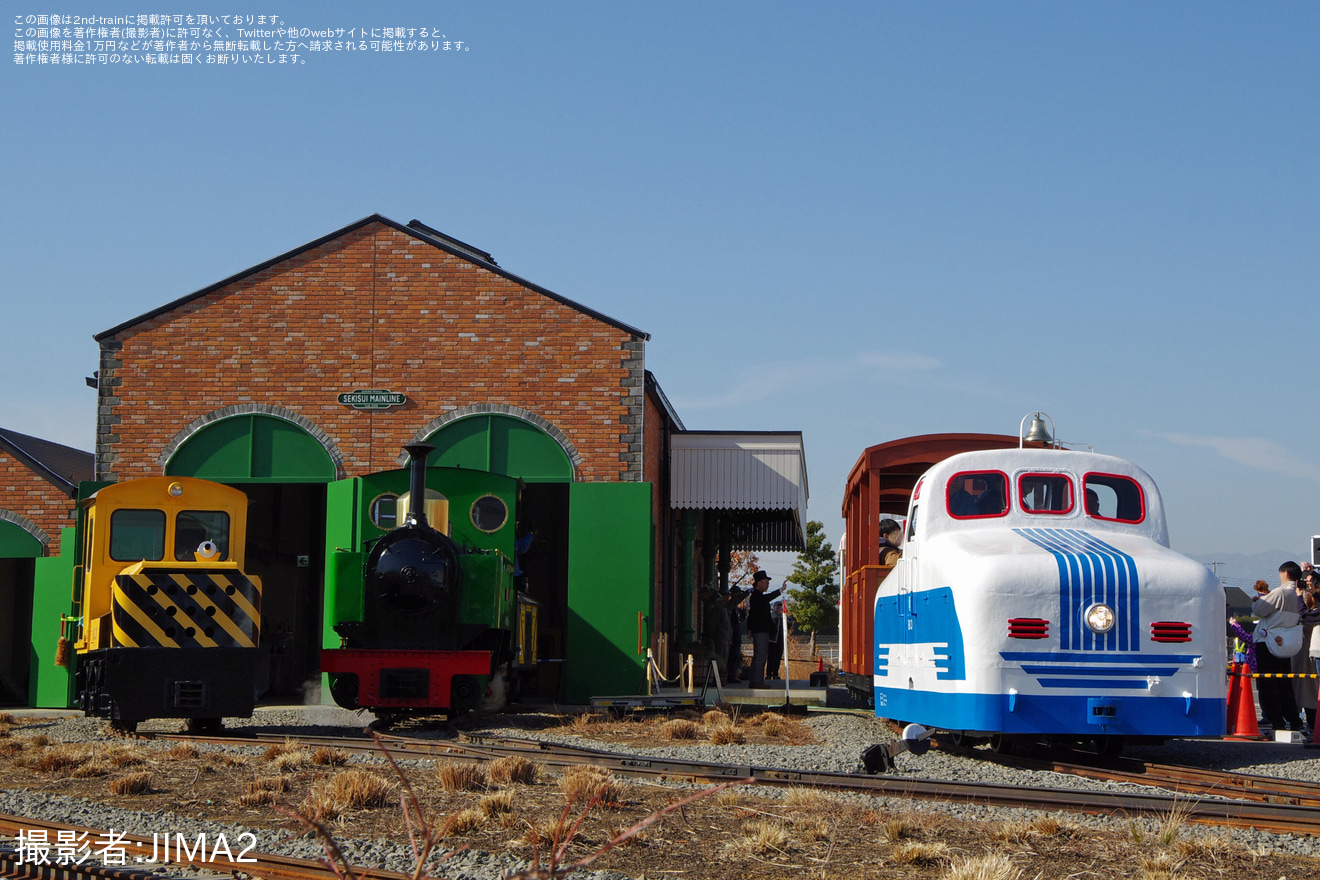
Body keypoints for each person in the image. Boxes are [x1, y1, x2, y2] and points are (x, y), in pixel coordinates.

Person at [1254, 563, 1305, 732]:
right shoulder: (1300, 594)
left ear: (1285, 574)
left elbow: (1259, 609)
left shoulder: (1281, 592)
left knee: (1268, 684)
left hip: (1269, 641)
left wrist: (1258, 601)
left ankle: (1277, 720)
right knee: (1285, 683)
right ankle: (1294, 719)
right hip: (1288, 642)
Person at [745, 570, 783, 688]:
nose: (767, 584)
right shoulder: (757, 596)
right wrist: (780, 591)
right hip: (760, 630)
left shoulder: (757, 596)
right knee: (760, 657)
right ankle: (757, 681)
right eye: (766, 582)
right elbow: (766, 599)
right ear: (759, 583)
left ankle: (756, 680)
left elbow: (751, 615)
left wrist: (750, 628)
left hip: (760, 630)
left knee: (759, 657)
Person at [1296, 570, 1320, 733]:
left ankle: (1314, 725)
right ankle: (1313, 725)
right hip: (1311, 651)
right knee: (1311, 690)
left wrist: (1299, 597)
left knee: (1312, 690)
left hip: (1314, 651)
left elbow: (1307, 616)